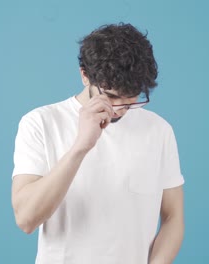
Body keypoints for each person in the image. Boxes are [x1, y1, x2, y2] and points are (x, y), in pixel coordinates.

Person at [11, 23, 185, 264]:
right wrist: (81, 146)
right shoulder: (40, 123)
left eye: (132, 98)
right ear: (85, 75)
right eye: (112, 96)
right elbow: (26, 219)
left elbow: (173, 217)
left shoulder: (159, 130)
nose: (121, 110)